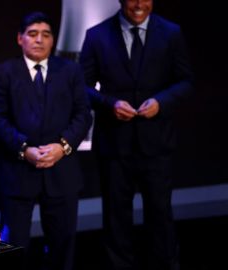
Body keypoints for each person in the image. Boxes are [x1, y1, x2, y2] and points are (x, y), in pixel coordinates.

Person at [79, 0, 194, 269]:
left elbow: (186, 81)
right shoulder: (96, 35)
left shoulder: (171, 32)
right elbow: (81, 86)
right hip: (114, 145)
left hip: (156, 144)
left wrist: (161, 102)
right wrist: (110, 104)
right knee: (116, 217)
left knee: (161, 214)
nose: (139, 4)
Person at [0, 12, 92, 270]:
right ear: (20, 38)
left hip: (62, 171)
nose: (39, 40)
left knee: (63, 244)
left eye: (46, 34)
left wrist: (62, 146)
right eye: (33, 34)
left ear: (53, 40)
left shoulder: (70, 70)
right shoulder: (3, 72)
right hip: (18, 172)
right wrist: (24, 149)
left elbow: (83, 114)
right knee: (14, 245)